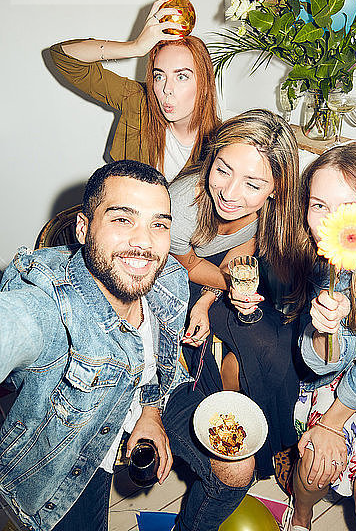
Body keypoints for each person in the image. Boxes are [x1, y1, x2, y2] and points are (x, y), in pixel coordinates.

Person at [0, 160, 255, 531]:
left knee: (237, 467)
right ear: (84, 229)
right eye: (123, 219)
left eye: (159, 224)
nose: (144, 243)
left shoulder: (168, 275)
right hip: (74, 450)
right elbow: (18, 324)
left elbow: (152, 356)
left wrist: (150, 412)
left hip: (159, 394)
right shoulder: (49, 306)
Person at [169, 109, 307, 479]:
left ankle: (278, 443)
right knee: (254, 346)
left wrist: (226, 288)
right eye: (223, 169)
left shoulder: (279, 211)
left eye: (252, 183)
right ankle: (253, 457)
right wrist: (213, 293)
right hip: (179, 274)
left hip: (225, 273)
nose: (230, 194)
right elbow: (189, 265)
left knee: (277, 344)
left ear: (276, 187)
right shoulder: (182, 206)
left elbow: (244, 244)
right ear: (211, 157)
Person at [285, 143, 356, 531]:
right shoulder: (327, 260)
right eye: (318, 206)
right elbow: (323, 359)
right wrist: (322, 330)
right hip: (345, 380)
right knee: (315, 461)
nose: (331, 222)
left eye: (347, 208)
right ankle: (300, 517)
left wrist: (333, 421)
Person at [50, 0, 219, 182]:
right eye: (159, 76)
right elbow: (63, 57)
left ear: (204, 82)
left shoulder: (222, 142)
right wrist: (135, 47)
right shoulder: (138, 102)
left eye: (181, 76)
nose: (166, 89)